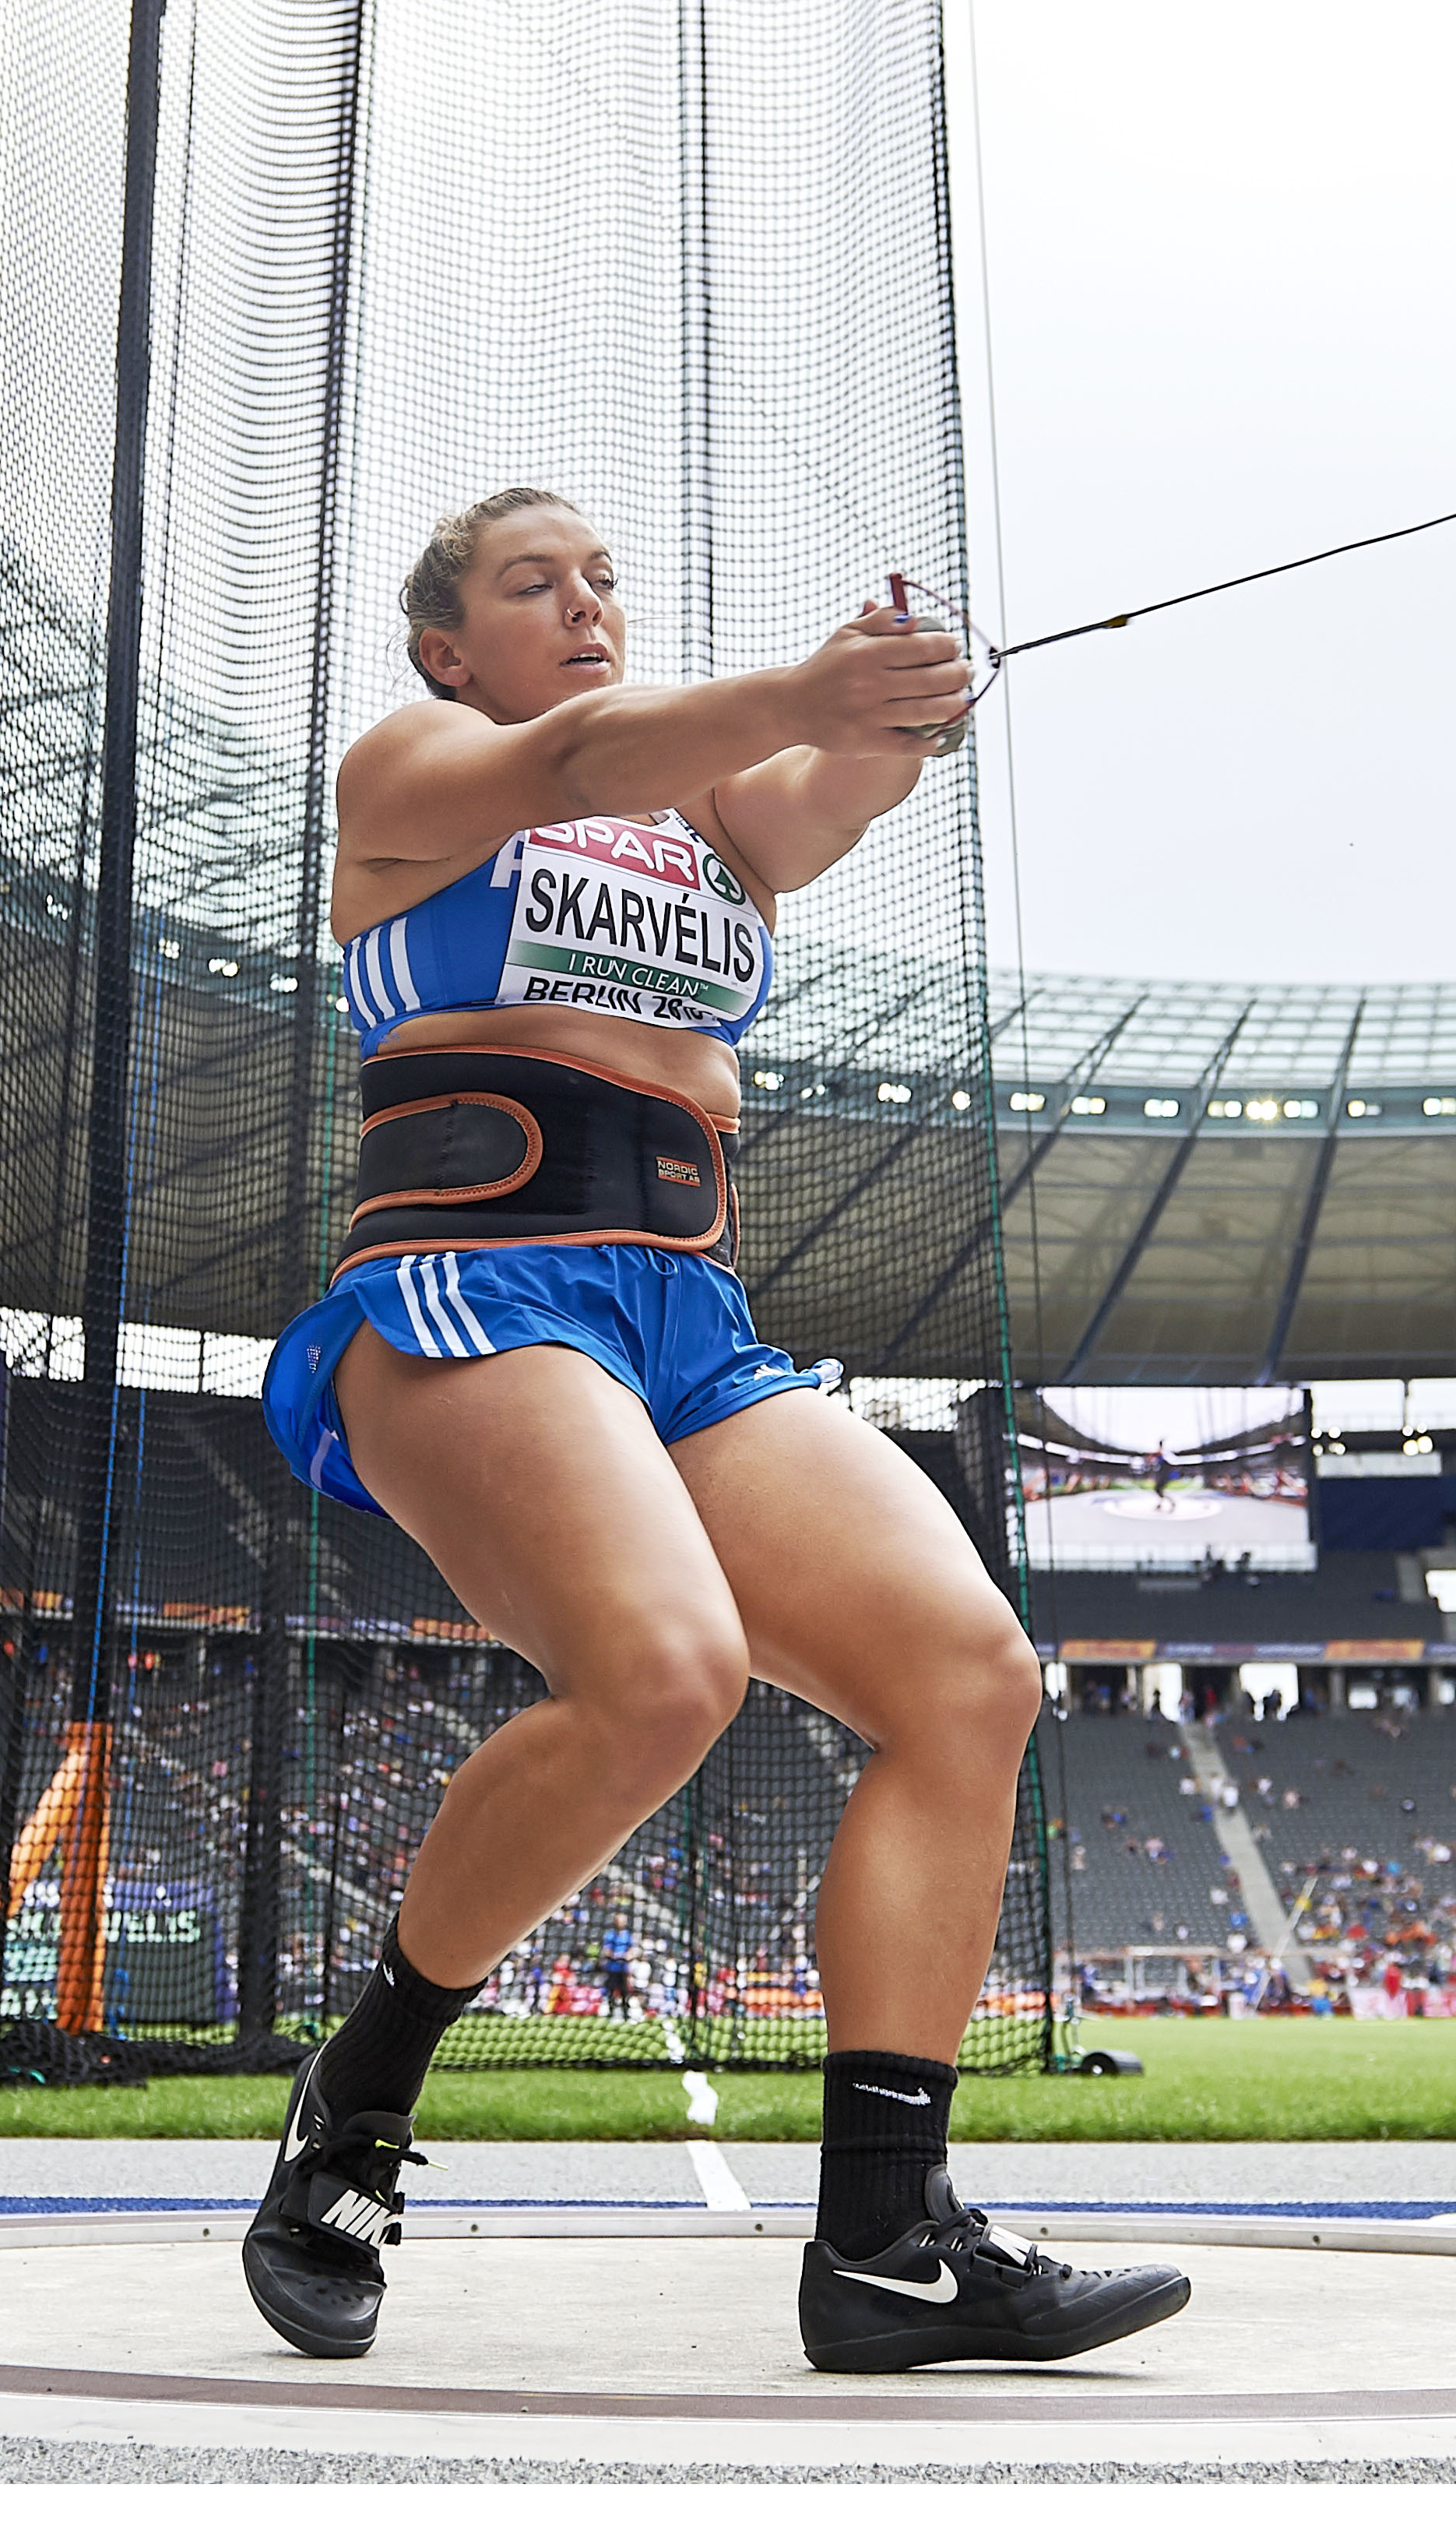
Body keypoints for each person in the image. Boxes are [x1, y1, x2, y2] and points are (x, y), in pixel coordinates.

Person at [243, 488, 1187, 2374]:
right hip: (478, 1276)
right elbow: (588, 748)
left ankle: (888, 2243)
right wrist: (803, 685)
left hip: (688, 1317)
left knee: (969, 1675)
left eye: (604, 580)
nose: (586, 605)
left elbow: (829, 786)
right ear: (451, 645)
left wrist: (896, 710)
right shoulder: (416, 766)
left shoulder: (703, 823)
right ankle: (358, 2094)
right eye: (537, 584)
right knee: (667, 1672)